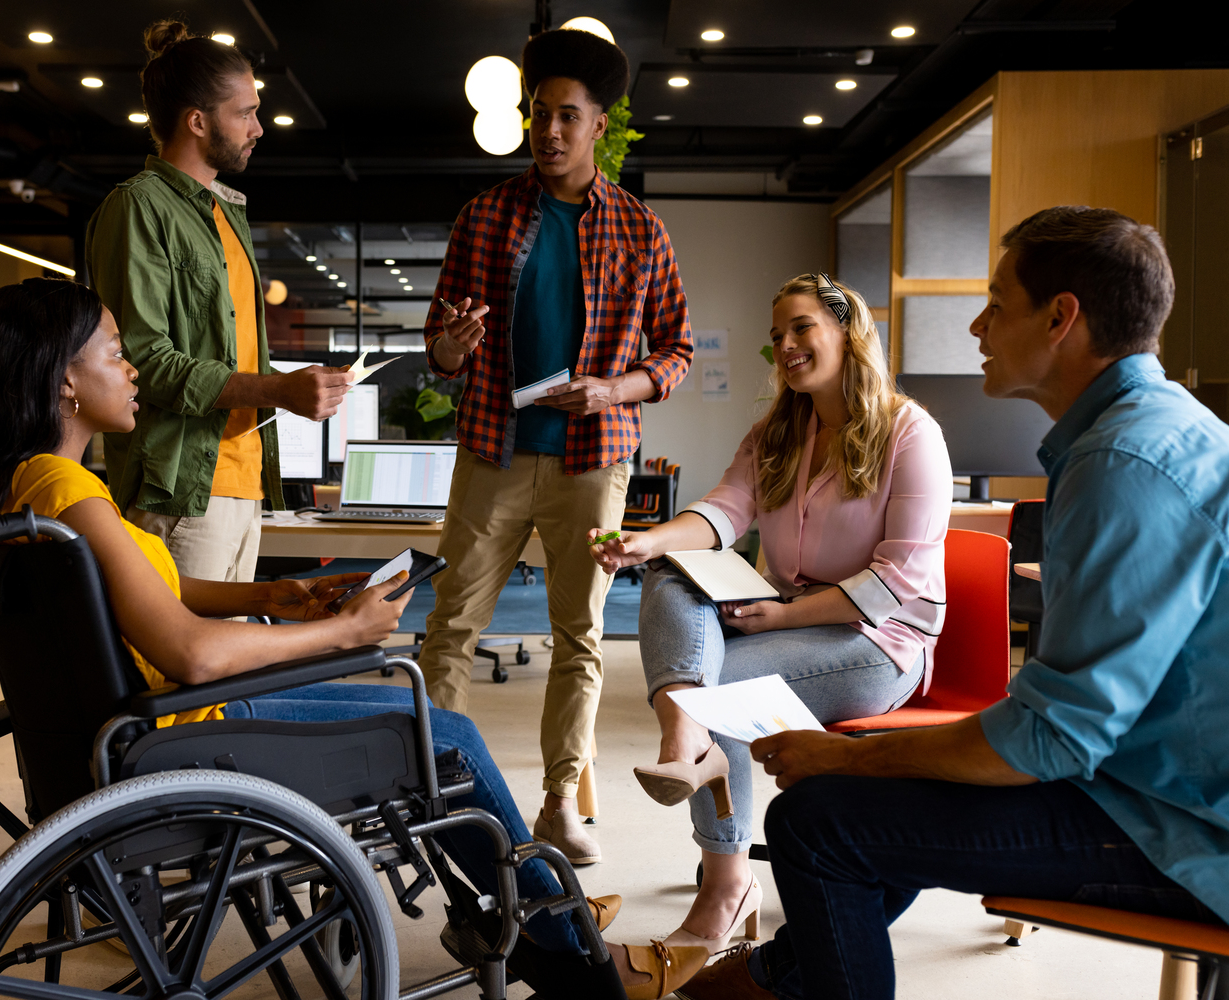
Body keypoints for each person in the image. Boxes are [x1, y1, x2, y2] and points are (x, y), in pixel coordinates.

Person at [0, 277, 711, 1000]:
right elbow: (191, 652)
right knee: (450, 739)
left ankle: (539, 919)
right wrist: (340, 631)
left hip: (135, 731)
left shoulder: (27, 490)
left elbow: (149, 591)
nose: (133, 371)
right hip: (185, 735)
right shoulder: (72, 492)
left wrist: (279, 596)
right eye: (117, 354)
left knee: (426, 725)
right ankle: (574, 959)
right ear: (64, 379)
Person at [676, 206, 1229, 1000]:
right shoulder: (1156, 429)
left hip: (1174, 825)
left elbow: (1048, 741)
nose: (976, 325)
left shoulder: (1118, 463)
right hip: (1150, 781)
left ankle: (774, 978)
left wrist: (847, 754)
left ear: (1060, 317)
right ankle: (777, 977)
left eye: (996, 303)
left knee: (817, 821)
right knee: (868, 810)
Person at [590, 274, 951, 960]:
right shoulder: (777, 432)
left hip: (876, 640)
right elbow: (723, 511)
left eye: (801, 328)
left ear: (847, 331)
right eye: (776, 336)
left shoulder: (909, 432)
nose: (784, 345)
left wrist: (778, 619)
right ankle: (683, 741)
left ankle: (724, 886)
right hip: (786, 616)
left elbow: (897, 581)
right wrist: (648, 541)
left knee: (716, 693)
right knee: (668, 575)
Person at [422, 27, 693, 867]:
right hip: (491, 449)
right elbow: (438, 346)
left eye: (565, 117)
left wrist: (615, 387)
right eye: (537, 115)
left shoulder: (640, 229)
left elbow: (675, 352)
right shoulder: (485, 215)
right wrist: (452, 348)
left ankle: (555, 804)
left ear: (598, 125)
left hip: (594, 456)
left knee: (578, 634)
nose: (548, 132)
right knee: (449, 627)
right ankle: (433, 789)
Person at [85, 20, 352, 585]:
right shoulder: (139, 207)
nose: (258, 127)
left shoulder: (225, 212)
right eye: (245, 112)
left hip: (241, 480)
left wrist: (288, 386)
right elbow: (143, 360)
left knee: (223, 667)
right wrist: (278, 388)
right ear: (197, 121)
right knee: (178, 667)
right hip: (179, 485)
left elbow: (226, 356)